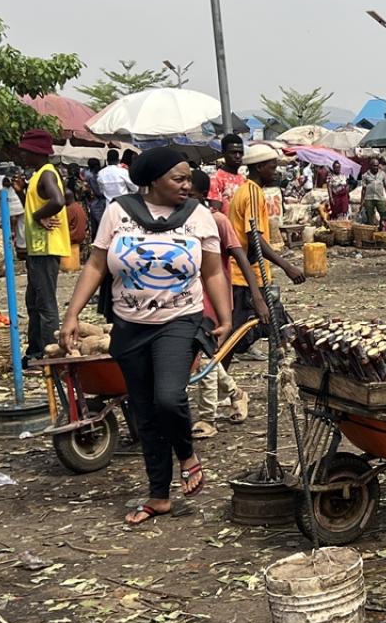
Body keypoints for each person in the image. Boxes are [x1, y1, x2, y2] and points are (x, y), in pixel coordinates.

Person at [59, 147, 232, 525]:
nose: (188, 185)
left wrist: (225, 316)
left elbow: (214, 272)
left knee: (169, 399)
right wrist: (71, 315)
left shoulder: (199, 216)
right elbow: (96, 264)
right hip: (129, 325)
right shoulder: (118, 211)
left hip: (180, 320)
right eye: (179, 179)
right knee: (145, 412)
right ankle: (158, 496)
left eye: (189, 178)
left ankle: (186, 454)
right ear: (153, 180)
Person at [189, 170, 265, 439]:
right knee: (205, 355)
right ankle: (236, 393)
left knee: (206, 355)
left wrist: (256, 295)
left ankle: (207, 417)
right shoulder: (174, 223)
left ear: (201, 195)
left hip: (213, 298)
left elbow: (240, 256)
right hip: (186, 300)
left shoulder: (217, 221)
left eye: (190, 194)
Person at [228, 143, 306, 359]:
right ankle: (221, 380)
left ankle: (281, 364)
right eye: (272, 167)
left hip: (249, 274)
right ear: (260, 167)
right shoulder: (253, 193)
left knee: (278, 321)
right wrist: (287, 265)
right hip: (245, 275)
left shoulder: (248, 190)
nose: (276, 172)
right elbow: (254, 238)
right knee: (241, 331)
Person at [18, 130, 69, 361]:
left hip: (45, 247)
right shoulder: (40, 174)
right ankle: (35, 350)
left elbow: (59, 200)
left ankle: (50, 353)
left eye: (24, 151)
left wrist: (39, 216)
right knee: (34, 301)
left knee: (46, 303)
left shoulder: (46, 174)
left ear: (34, 152)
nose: (21, 155)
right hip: (37, 248)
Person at [208, 135, 247, 215]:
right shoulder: (215, 179)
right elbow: (216, 213)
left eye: (240, 152)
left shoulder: (243, 179)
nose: (237, 156)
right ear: (223, 153)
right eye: (233, 152)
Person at [359, 158, 386, 226]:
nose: (376, 167)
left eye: (377, 165)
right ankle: (372, 231)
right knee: (370, 217)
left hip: (380, 198)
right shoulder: (365, 175)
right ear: (370, 166)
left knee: (384, 215)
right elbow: (363, 189)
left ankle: (382, 230)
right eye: (374, 165)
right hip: (369, 198)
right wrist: (362, 202)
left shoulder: (382, 174)